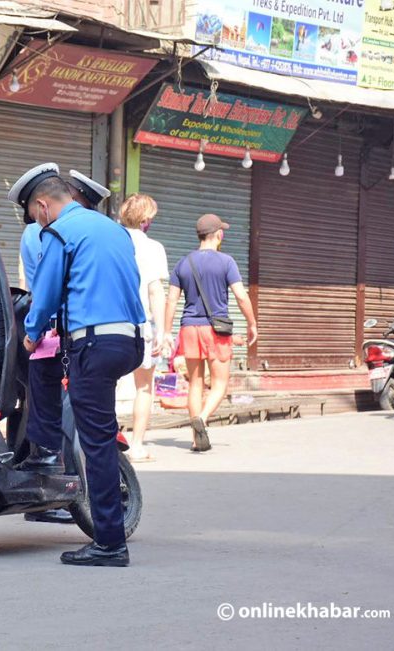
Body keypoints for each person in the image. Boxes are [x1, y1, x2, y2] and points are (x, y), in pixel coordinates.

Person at [18, 166, 145, 567]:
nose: (38, 222)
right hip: (129, 341)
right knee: (100, 433)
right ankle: (107, 530)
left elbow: (47, 293)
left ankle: (109, 543)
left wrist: (32, 332)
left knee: (97, 446)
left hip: (94, 344)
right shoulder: (114, 229)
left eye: (36, 215)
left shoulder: (58, 232)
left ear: (43, 205)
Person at [14, 165, 110, 525]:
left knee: (46, 406)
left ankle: (47, 469)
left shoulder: (67, 229)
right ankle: (53, 478)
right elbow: (48, 289)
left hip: (59, 330)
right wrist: (36, 329)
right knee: (63, 412)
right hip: (56, 332)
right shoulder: (49, 232)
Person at [162, 214, 258, 452]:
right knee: (220, 385)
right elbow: (241, 296)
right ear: (218, 234)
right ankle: (202, 419)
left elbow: (171, 301)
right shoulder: (226, 262)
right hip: (215, 330)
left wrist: (166, 331)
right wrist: (252, 323)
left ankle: (197, 439)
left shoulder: (183, 263)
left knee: (195, 383)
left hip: (189, 328)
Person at [120, 194, 168, 463]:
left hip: (110, 323)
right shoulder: (153, 248)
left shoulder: (110, 241)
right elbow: (155, 291)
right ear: (146, 219)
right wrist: (162, 331)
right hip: (142, 325)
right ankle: (136, 446)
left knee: (105, 385)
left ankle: (105, 442)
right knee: (144, 387)